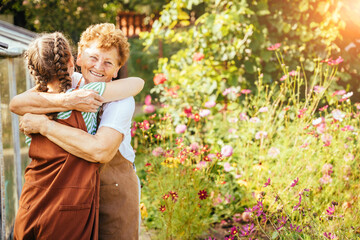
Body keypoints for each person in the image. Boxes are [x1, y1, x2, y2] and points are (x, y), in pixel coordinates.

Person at [11, 23, 141, 239]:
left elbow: (100, 151)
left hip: (112, 191)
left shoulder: (121, 100)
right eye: (93, 58)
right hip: (72, 191)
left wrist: (44, 125)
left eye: (108, 62)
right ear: (78, 58)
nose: (99, 67)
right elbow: (17, 103)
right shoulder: (66, 82)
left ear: (117, 70)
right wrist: (66, 100)